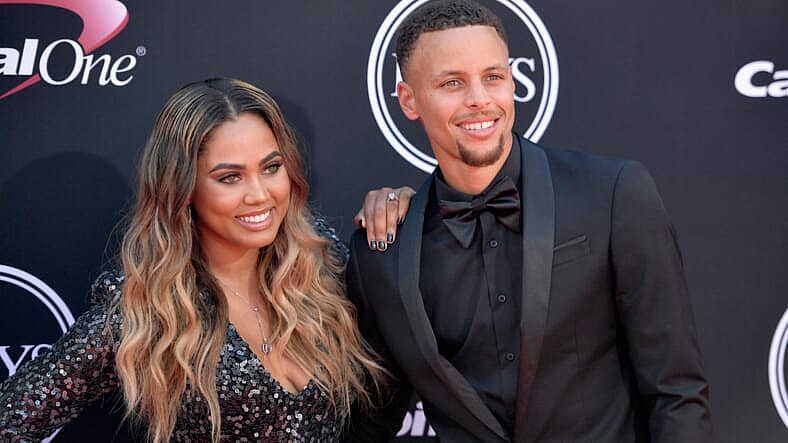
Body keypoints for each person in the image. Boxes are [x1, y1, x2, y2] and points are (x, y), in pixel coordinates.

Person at [345, 1, 713, 442]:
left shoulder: (613, 195)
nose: (479, 98)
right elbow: (370, 423)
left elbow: (677, 392)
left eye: (493, 77)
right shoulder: (383, 252)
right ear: (409, 101)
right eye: (452, 83)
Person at [0, 78, 411, 442]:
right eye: (230, 177)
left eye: (271, 167)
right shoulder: (144, 307)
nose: (259, 195)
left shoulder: (322, 260)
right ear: (182, 188)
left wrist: (408, 207)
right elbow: (12, 419)